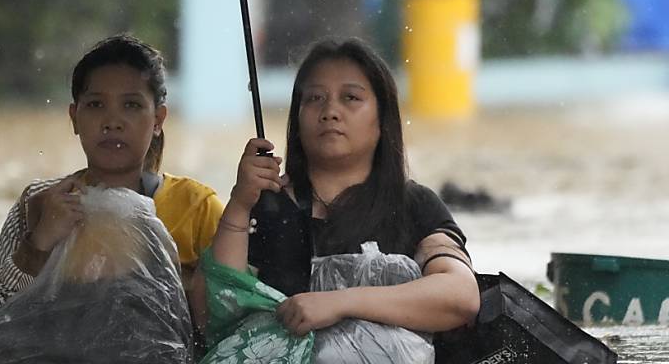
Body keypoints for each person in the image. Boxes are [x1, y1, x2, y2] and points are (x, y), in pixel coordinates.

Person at [197, 38, 479, 339]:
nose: (330, 111)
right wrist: (239, 204)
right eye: (315, 98)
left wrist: (340, 303)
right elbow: (208, 315)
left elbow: (461, 296)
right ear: (298, 117)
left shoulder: (412, 204)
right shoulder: (266, 206)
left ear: (382, 120)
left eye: (351, 98)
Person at [0, 35, 224, 351]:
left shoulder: (198, 208)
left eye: (131, 105)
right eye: (95, 105)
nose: (112, 122)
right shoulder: (41, 203)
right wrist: (38, 246)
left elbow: (232, 326)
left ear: (158, 120)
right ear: (75, 118)